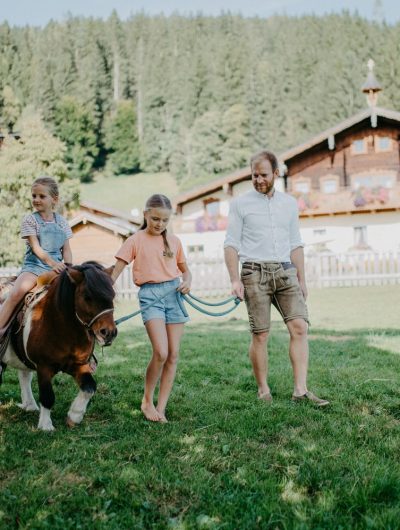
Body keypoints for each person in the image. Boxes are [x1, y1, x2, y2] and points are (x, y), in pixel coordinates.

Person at [224, 150, 329, 406]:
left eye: (263, 175)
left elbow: (296, 244)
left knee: (300, 327)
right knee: (260, 334)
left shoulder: (289, 204)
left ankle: (300, 391)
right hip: (254, 273)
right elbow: (231, 245)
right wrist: (234, 280)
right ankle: (263, 389)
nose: (258, 179)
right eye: (254, 175)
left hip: (285, 272)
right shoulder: (240, 204)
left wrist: (302, 279)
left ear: (276, 174)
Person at [111, 194, 192, 423]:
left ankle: (161, 408)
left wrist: (187, 281)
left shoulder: (174, 241)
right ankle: (147, 400)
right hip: (150, 296)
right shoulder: (135, 240)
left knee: (174, 354)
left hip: (174, 294)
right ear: (146, 214)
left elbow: (186, 270)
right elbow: (116, 271)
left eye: (164, 220)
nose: (159, 224)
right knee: (161, 352)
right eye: (155, 219)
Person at [0, 176, 73, 341]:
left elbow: (67, 249)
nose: (36, 199)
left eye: (41, 196)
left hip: (57, 269)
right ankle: (1, 328)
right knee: (18, 291)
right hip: (34, 268)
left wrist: (68, 266)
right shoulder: (30, 220)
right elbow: (36, 248)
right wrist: (54, 264)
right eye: (34, 196)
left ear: (54, 199)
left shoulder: (62, 222)